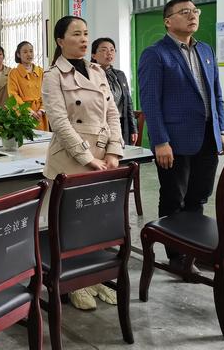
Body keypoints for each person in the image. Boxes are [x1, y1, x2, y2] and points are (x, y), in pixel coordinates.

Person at [138, 0, 224, 272]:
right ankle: (176, 256)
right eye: (185, 12)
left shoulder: (206, 50)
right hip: (174, 142)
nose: (193, 16)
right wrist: (160, 141)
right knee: (174, 198)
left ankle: (195, 250)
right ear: (168, 20)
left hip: (208, 138)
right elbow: (150, 102)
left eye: (195, 11)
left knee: (198, 198)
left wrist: (221, 129)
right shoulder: (156, 54)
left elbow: (216, 95)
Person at [42, 16, 124, 311]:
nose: (83, 39)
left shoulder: (97, 71)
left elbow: (112, 115)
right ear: (60, 41)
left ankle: (94, 278)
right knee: (69, 224)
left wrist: (113, 152)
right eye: (76, 34)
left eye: (86, 33)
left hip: (103, 160)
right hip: (71, 161)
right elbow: (59, 123)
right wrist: (87, 158)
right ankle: (73, 283)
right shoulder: (53, 75)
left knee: (95, 223)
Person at [91, 38, 138, 145]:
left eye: (112, 50)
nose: (109, 53)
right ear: (93, 55)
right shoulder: (89, 75)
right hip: (99, 126)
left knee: (122, 157)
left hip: (121, 124)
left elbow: (128, 102)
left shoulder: (120, 74)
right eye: (104, 50)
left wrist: (133, 128)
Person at [8, 41, 48, 130]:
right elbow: (13, 95)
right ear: (18, 54)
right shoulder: (14, 73)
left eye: (31, 51)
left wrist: (42, 110)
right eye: (25, 52)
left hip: (40, 114)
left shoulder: (40, 71)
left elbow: (47, 92)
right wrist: (28, 111)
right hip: (22, 114)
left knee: (42, 141)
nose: (29, 54)